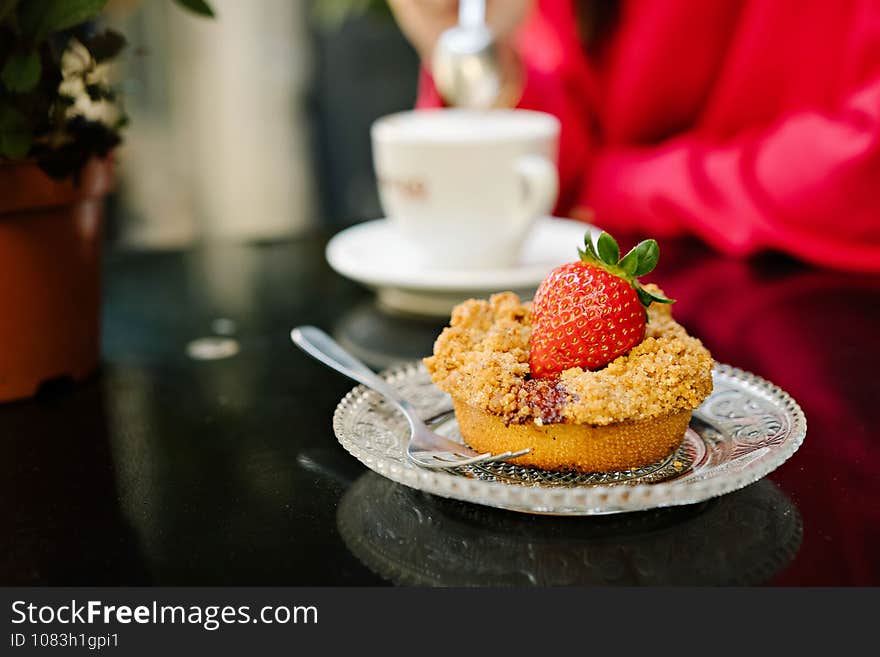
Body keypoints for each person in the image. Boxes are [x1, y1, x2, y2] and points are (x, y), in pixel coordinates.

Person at [388, 0, 880, 273]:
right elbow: (554, 170)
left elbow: (860, 168)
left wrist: (623, 186)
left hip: (829, 321)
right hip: (619, 296)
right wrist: (471, 53)